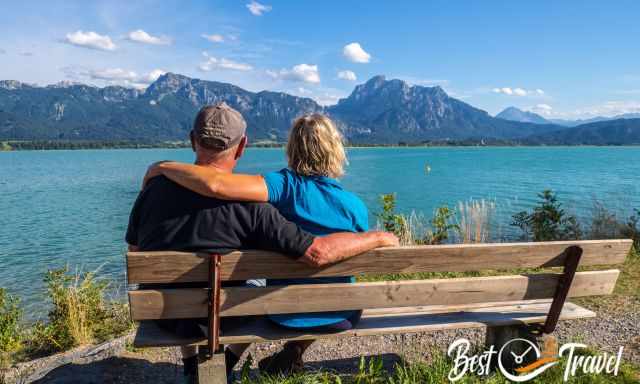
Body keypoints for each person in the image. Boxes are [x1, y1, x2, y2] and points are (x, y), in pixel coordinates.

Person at [128, 103, 398, 383]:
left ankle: (190, 366)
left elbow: (135, 252)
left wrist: (161, 167)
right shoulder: (253, 207)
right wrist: (378, 236)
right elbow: (315, 251)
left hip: (163, 313)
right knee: (250, 282)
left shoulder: (150, 193)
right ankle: (229, 362)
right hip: (233, 315)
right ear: (242, 145)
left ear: (192, 139)